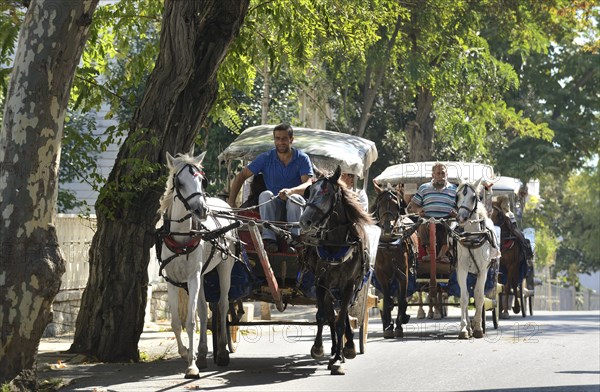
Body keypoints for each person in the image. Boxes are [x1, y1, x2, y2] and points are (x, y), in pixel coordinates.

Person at [228, 123, 313, 252]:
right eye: (277, 139)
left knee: (294, 198)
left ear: (291, 139)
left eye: (284, 138)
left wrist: (291, 191)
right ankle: (269, 239)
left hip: (297, 208)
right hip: (274, 207)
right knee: (265, 194)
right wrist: (231, 203)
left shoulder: (302, 158)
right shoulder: (266, 158)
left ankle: (294, 239)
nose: (281, 142)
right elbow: (241, 176)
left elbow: (308, 184)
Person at [406, 162, 457, 263]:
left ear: (447, 175)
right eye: (438, 174)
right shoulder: (424, 188)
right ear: (432, 175)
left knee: (453, 225)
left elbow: (460, 207)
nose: (441, 176)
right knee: (422, 223)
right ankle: (430, 254)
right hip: (428, 219)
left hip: (447, 219)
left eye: (443, 173)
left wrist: (456, 212)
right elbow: (411, 207)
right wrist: (418, 210)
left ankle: (442, 255)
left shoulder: (454, 189)